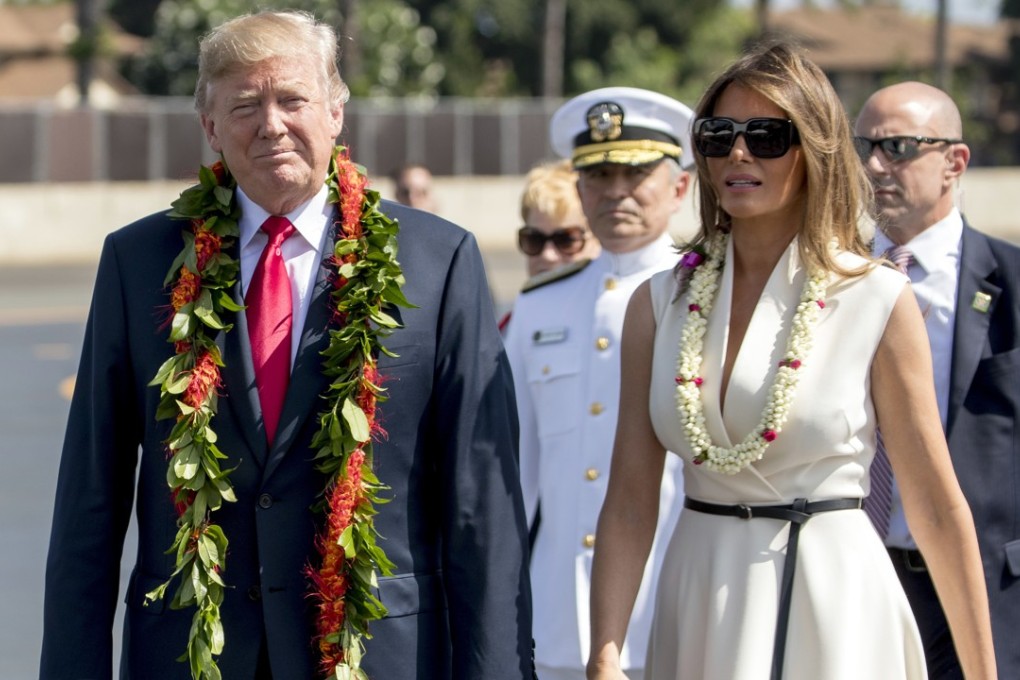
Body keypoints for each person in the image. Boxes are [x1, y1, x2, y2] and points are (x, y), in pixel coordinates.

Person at [40, 10, 533, 680]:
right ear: (210, 126)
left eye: (292, 99)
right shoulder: (139, 262)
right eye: (243, 105)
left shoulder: (438, 262)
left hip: (379, 655)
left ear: (335, 111)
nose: (271, 124)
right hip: (190, 658)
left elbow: (481, 509)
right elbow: (88, 504)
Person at [586, 42, 997, 680]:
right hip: (697, 598)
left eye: (768, 136)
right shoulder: (657, 302)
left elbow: (937, 507)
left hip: (831, 606)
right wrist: (605, 653)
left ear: (815, 150)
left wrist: (982, 672)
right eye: (719, 135)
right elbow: (631, 500)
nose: (739, 153)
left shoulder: (876, 296)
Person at [503, 87, 691, 680]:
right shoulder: (539, 305)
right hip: (556, 612)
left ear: (681, 186)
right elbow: (514, 469)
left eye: (635, 173)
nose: (615, 192)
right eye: (599, 174)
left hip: (673, 604)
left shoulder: (709, 295)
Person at [854, 81, 1020, 679]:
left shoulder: (1012, 283)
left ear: (955, 162)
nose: (874, 165)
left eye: (896, 146)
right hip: (851, 578)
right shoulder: (823, 278)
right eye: (864, 146)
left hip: (988, 593)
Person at [518, 159, 601, 278]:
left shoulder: (629, 296)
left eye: (566, 240)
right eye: (534, 240)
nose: (548, 255)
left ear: (599, 240)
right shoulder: (526, 297)